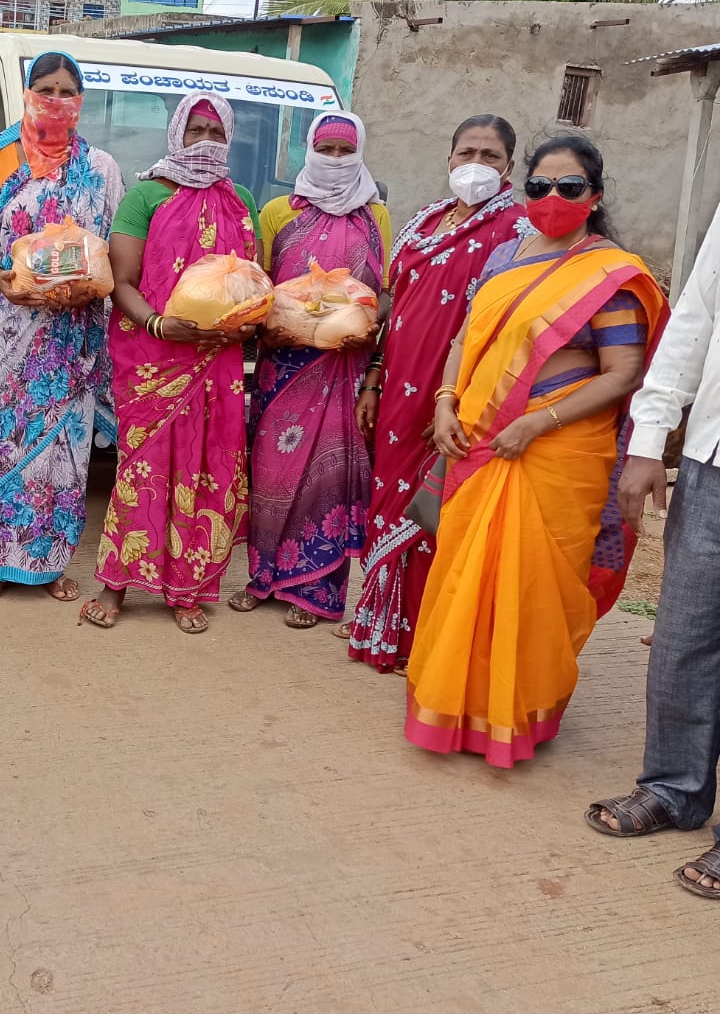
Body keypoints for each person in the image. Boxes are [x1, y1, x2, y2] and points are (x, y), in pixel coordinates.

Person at [409, 136, 665, 767]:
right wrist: (444, 402)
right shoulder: (507, 255)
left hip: (556, 450)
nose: (552, 197)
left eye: (569, 187)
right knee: (464, 575)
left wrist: (537, 423)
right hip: (478, 438)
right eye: (539, 186)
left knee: (533, 586)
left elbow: (623, 372)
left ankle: (515, 712)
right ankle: (454, 704)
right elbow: (466, 337)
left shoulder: (609, 274)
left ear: (594, 196)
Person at [347, 115, 529, 673]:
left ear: (510, 166)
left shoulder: (518, 231)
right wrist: (373, 378)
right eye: (466, 152)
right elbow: (395, 308)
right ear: (449, 158)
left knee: (434, 515)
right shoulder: (425, 222)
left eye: (490, 156)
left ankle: (422, 637)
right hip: (397, 391)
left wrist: (459, 401)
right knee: (387, 502)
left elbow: (511, 332)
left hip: (453, 399)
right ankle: (378, 621)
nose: (476, 164)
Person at [79, 96, 258, 634]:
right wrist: (159, 324)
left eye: (216, 132)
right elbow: (122, 282)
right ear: (178, 132)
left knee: (207, 470)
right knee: (143, 468)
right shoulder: (146, 195)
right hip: (153, 358)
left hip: (217, 360)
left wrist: (246, 324)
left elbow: (252, 280)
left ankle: (187, 589)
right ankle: (116, 584)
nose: (206, 140)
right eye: (196, 129)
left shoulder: (240, 199)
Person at [0, 52, 125, 605]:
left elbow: (112, 252)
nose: (55, 100)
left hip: (72, 334)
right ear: (27, 93)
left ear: (81, 99)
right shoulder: (1, 156)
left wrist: (89, 287)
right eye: (45, 89)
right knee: (4, 442)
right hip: (10, 327)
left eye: (66, 91)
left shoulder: (101, 168)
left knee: (65, 450)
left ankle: (49, 564)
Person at [586, 202, 720, 899]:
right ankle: (673, 787)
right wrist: (648, 440)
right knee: (683, 636)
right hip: (711, 461)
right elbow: (695, 321)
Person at [230, 111, 390, 630]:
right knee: (270, 472)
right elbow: (258, 285)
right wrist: (269, 329)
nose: (335, 160)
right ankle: (263, 578)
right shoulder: (280, 211)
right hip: (283, 364)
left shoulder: (375, 215)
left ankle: (317, 590)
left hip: (342, 365)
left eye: (345, 151)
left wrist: (365, 328)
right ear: (308, 150)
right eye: (326, 149)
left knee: (329, 476)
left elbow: (386, 291)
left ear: (359, 153)